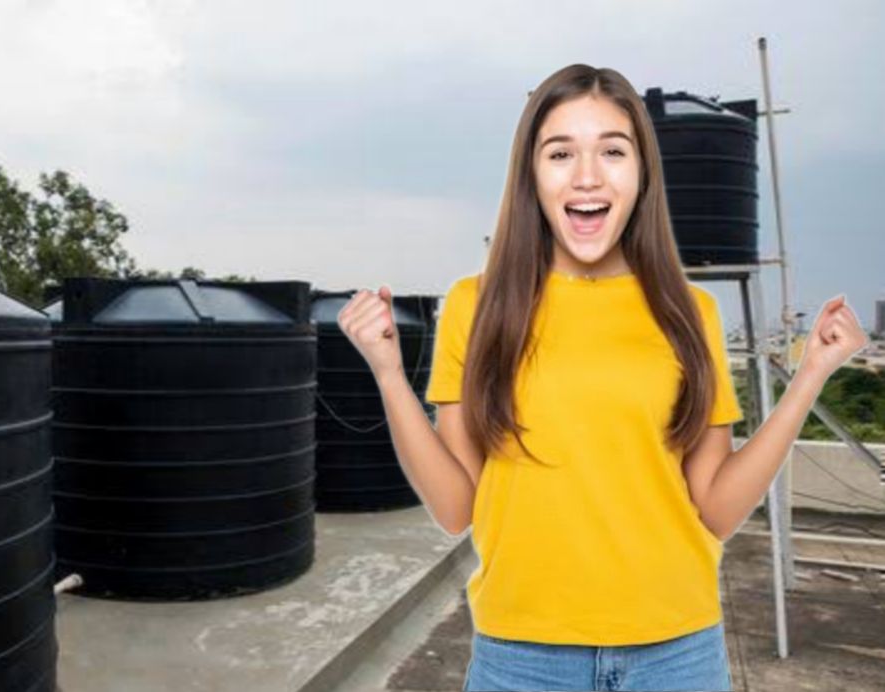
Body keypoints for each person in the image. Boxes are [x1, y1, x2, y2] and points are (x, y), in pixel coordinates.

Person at [336, 63, 868, 691]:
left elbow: (717, 510)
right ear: (531, 177)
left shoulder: (691, 313)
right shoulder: (475, 306)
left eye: (612, 151)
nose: (587, 176)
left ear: (642, 174)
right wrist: (389, 374)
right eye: (560, 153)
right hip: (521, 658)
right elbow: (455, 509)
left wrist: (809, 376)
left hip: (678, 654)